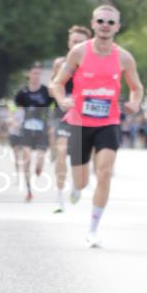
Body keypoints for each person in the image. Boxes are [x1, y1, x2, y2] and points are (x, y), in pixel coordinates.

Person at [50, 4, 143, 247]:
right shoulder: (79, 53)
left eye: (110, 22)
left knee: (104, 171)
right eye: (101, 21)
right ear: (93, 24)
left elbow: (137, 88)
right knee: (80, 182)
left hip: (108, 122)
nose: (105, 26)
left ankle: (93, 229)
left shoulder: (124, 58)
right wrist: (62, 100)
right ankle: (77, 187)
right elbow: (57, 83)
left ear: (117, 28)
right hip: (79, 122)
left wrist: (135, 103)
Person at [49, 24, 91, 213]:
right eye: (74, 41)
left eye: (80, 42)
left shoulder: (93, 63)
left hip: (85, 115)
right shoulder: (60, 63)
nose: (76, 45)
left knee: (79, 157)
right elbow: (53, 85)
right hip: (64, 113)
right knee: (61, 152)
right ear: (68, 42)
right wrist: (61, 98)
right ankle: (59, 198)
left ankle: (76, 184)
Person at [14, 63, 53, 201]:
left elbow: (53, 108)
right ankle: (29, 190)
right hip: (26, 129)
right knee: (26, 159)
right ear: (29, 74)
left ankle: (39, 168)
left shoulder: (46, 92)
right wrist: (15, 123)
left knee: (39, 161)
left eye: (38, 73)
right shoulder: (22, 93)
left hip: (42, 130)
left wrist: (52, 124)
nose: (36, 76)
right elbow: (18, 111)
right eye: (34, 73)